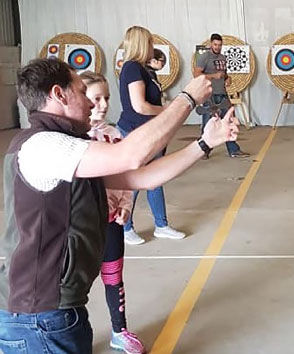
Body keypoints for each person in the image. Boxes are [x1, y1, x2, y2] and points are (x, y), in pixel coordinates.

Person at [0, 57, 237, 353]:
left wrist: (203, 143)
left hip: (53, 313)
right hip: (39, 317)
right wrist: (187, 98)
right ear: (59, 95)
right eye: (82, 93)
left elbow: (142, 177)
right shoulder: (42, 146)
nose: (91, 105)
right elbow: (131, 155)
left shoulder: (65, 148)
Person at [80, 71, 145, 354]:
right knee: (75, 283)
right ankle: (73, 332)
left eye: (106, 97)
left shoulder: (114, 135)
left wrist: (126, 206)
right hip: (81, 227)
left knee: (113, 277)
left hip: (111, 223)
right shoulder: (73, 139)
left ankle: (119, 331)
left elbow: (127, 176)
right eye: (96, 99)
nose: (104, 104)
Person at [117, 26, 184, 245]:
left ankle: (161, 225)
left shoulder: (144, 70)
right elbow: (140, 106)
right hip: (137, 132)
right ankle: (124, 228)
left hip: (151, 131)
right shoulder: (132, 68)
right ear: (140, 44)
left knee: (155, 179)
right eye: (149, 43)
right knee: (135, 182)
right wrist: (169, 110)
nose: (152, 48)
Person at [194, 33, 249, 158]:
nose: (217, 47)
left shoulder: (223, 58)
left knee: (229, 121)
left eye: (219, 45)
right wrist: (213, 76)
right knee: (208, 123)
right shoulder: (204, 57)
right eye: (215, 44)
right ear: (210, 44)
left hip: (222, 94)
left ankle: (233, 150)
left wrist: (228, 78)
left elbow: (224, 74)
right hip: (209, 94)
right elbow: (196, 75)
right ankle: (203, 151)